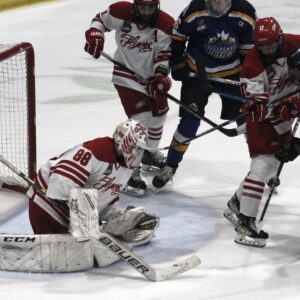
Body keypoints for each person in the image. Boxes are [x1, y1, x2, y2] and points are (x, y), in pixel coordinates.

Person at [152, 0, 257, 189]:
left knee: (247, 122)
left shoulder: (245, 12)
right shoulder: (195, 9)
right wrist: (177, 64)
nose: (216, 4)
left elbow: (250, 50)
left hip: (232, 73)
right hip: (197, 73)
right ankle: (170, 165)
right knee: (189, 122)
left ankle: (260, 170)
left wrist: (247, 75)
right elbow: (177, 36)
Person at [27, 119, 159, 255]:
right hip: (48, 209)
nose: (137, 153)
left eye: (140, 149)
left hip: (78, 218)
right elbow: (61, 180)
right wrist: (82, 216)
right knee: (77, 251)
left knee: (141, 217)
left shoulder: (126, 169)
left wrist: (118, 218)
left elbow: (104, 202)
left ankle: (92, 239)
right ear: (124, 141)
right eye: (136, 147)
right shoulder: (98, 150)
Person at [84, 0, 175, 197]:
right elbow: (100, 20)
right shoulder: (121, 11)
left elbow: (164, 54)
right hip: (126, 74)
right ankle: (129, 169)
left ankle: (149, 153)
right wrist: (95, 34)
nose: (146, 11)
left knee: (159, 115)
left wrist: (160, 76)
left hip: (150, 78)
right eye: (142, 7)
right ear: (135, 6)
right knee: (141, 120)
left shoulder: (166, 24)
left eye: (150, 7)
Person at [223, 17, 300, 247]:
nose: (266, 49)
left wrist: (293, 104)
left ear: (279, 38)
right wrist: (267, 107)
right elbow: (258, 103)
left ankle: (237, 203)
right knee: (263, 165)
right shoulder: (252, 65)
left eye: (270, 44)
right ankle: (245, 222)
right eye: (262, 45)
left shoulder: (293, 44)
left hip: (285, 111)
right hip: (263, 118)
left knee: (275, 163)